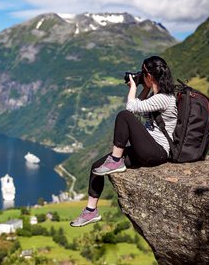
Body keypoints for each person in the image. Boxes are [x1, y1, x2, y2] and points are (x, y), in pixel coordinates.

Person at [70, 56, 177, 227]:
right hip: (147, 149)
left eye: (144, 73)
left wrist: (134, 86)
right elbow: (139, 107)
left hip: (158, 152)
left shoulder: (165, 98)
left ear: (149, 75)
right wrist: (143, 87)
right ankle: (91, 211)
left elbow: (130, 110)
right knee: (97, 167)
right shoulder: (157, 96)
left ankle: (116, 160)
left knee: (123, 115)